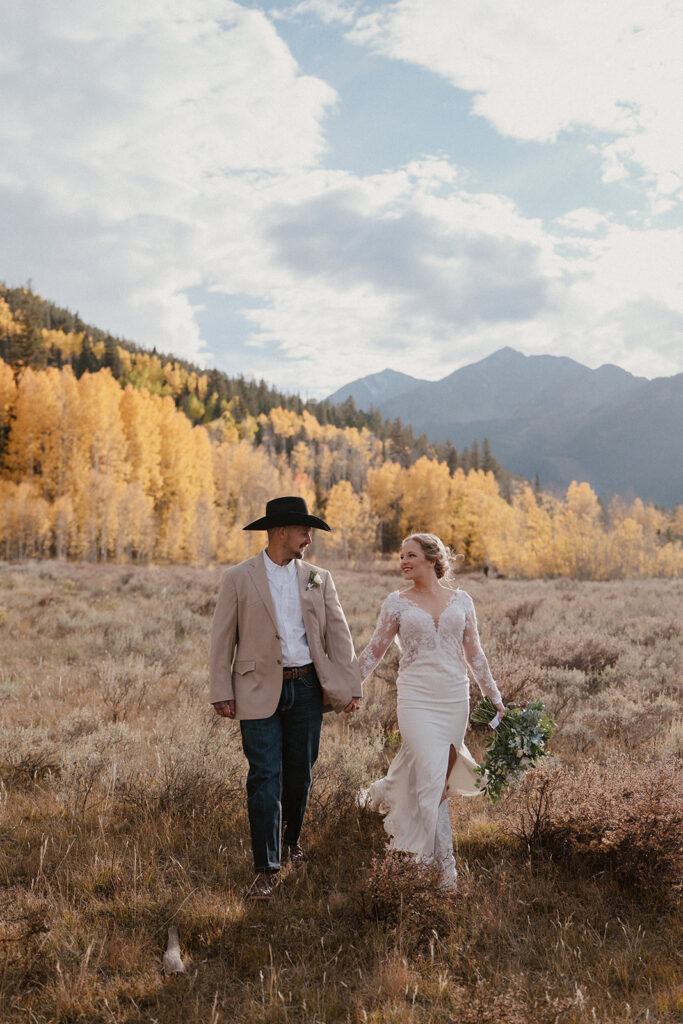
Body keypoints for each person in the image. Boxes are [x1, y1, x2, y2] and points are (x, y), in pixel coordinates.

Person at [210, 496, 361, 900]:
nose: (308, 539)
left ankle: (291, 843)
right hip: (256, 691)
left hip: (308, 689)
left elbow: (339, 636)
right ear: (280, 531)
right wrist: (220, 690)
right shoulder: (238, 577)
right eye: (303, 530)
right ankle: (266, 868)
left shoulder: (318, 578)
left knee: (300, 775)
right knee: (264, 777)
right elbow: (222, 638)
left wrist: (350, 686)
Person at [358, 533, 505, 892]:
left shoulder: (462, 600)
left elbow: (475, 655)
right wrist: (345, 686)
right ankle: (440, 871)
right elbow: (374, 651)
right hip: (416, 699)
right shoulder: (396, 603)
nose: (403, 561)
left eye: (410, 555)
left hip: (454, 699)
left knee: (435, 781)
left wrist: (495, 697)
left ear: (431, 559)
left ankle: (380, 795)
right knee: (430, 777)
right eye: (401, 556)